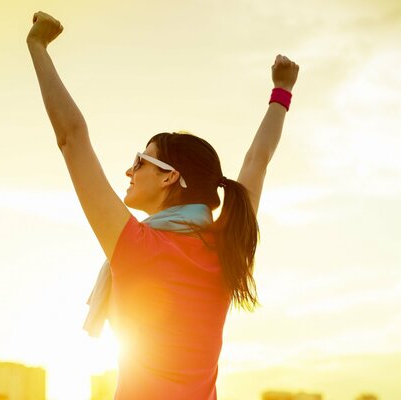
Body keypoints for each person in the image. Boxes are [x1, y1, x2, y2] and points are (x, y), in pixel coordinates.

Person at [26, 11, 299, 400]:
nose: (129, 170)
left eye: (140, 160)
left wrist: (37, 47)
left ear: (170, 176)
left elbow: (71, 136)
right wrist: (282, 92)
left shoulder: (138, 247)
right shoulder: (227, 246)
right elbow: (258, 160)